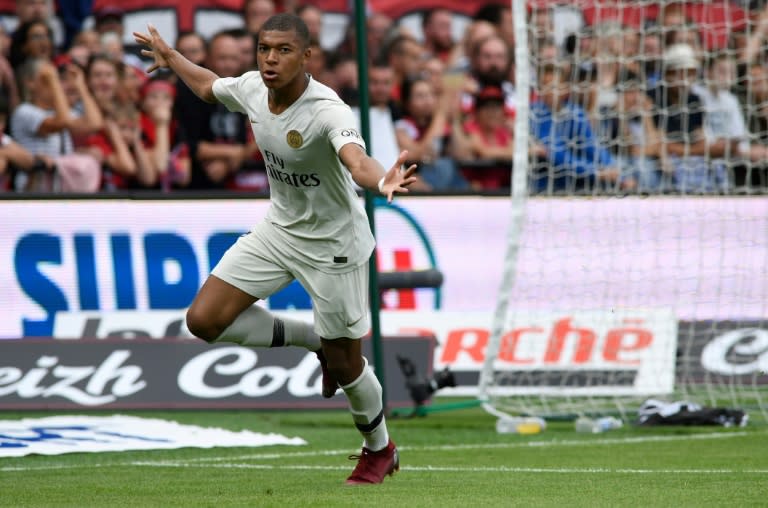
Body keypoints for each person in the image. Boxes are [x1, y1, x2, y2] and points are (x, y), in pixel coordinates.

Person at [134, 13, 416, 484]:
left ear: (307, 56)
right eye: (264, 48)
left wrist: (381, 178)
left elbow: (357, 160)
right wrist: (173, 58)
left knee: (348, 364)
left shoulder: (328, 109)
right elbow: (208, 86)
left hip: (334, 246)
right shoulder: (251, 89)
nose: (270, 58)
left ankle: (379, 448)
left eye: (283, 50)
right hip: (279, 231)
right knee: (203, 320)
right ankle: (313, 342)